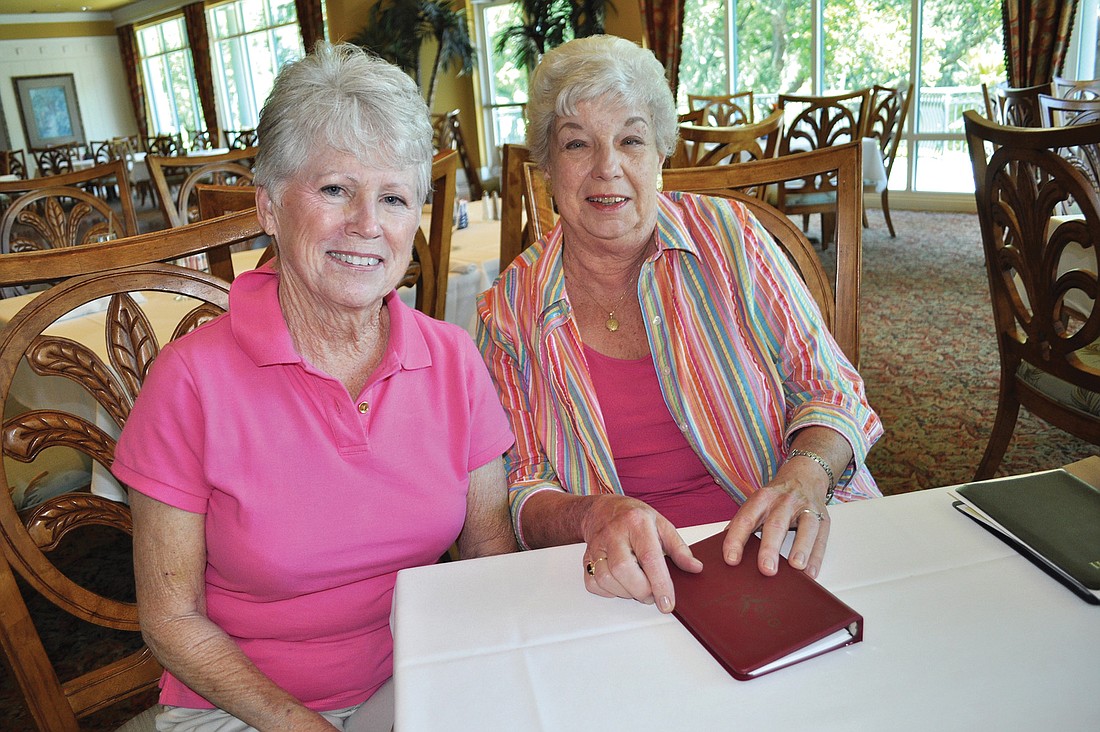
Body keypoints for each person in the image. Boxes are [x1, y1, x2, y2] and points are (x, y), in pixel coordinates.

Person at [112, 42, 516, 732]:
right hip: (241, 706)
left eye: (393, 197)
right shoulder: (190, 382)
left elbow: (488, 552)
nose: (367, 225)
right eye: (335, 189)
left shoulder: (451, 358)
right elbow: (172, 619)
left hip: (418, 681)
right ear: (269, 206)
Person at [476, 35, 882, 616]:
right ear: (547, 166)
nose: (606, 167)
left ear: (661, 154)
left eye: (631, 139)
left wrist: (806, 474)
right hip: (621, 586)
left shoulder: (731, 237)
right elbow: (521, 487)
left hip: (785, 548)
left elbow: (833, 389)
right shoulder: (508, 309)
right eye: (576, 144)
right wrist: (593, 513)